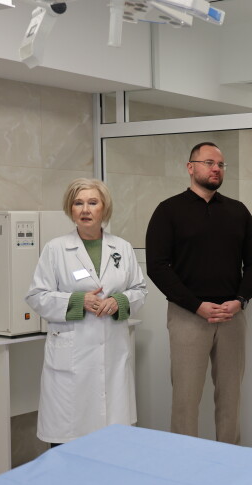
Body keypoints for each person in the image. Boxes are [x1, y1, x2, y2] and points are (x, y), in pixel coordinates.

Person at [146, 141, 252, 444]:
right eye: (209, 163)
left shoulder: (238, 211)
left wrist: (241, 300)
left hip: (231, 316)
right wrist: (196, 305)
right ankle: (186, 461)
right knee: (186, 398)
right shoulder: (168, 211)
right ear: (190, 167)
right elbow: (157, 266)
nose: (216, 169)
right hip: (188, 316)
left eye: (221, 165)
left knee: (231, 397)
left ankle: (229, 457)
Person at [26, 178, 147, 446]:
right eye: (78, 203)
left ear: (104, 208)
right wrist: (78, 301)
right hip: (72, 357)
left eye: (92, 203)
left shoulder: (122, 248)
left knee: (111, 441)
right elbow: (37, 296)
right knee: (69, 441)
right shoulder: (56, 249)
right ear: (70, 209)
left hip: (112, 352)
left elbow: (139, 290)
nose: (85, 210)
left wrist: (119, 301)